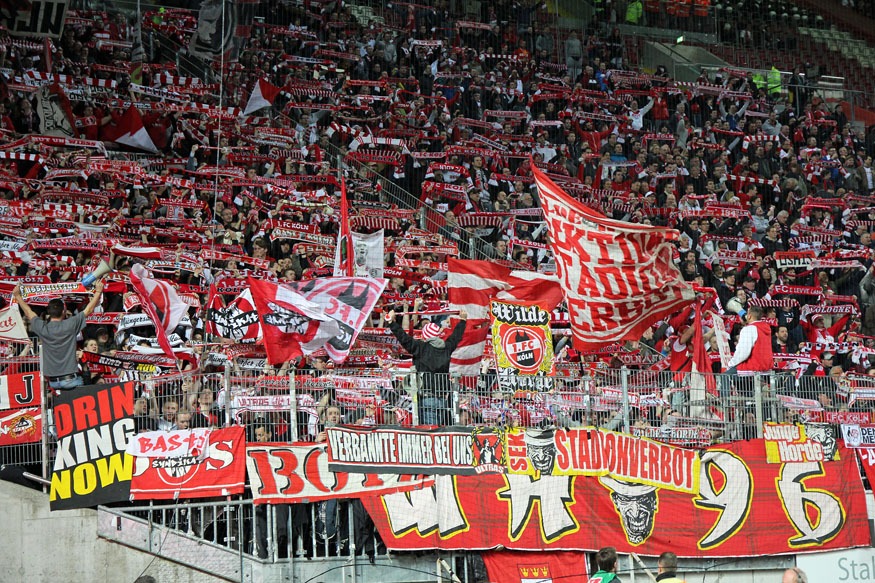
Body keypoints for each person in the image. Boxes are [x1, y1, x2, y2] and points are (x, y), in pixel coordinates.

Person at [13, 280, 104, 391]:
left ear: (49, 312)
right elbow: (88, 310)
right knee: (88, 386)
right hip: (71, 380)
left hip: (53, 383)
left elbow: (28, 312)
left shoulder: (42, 328)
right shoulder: (71, 324)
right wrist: (98, 292)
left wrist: (17, 296)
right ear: (63, 311)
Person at [385, 308, 467, 425]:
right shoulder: (446, 348)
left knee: (429, 430)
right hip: (442, 399)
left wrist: (391, 322)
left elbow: (404, 338)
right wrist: (463, 321)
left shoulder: (420, 347)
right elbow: (456, 337)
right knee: (437, 430)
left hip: (426, 398)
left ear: (425, 335)